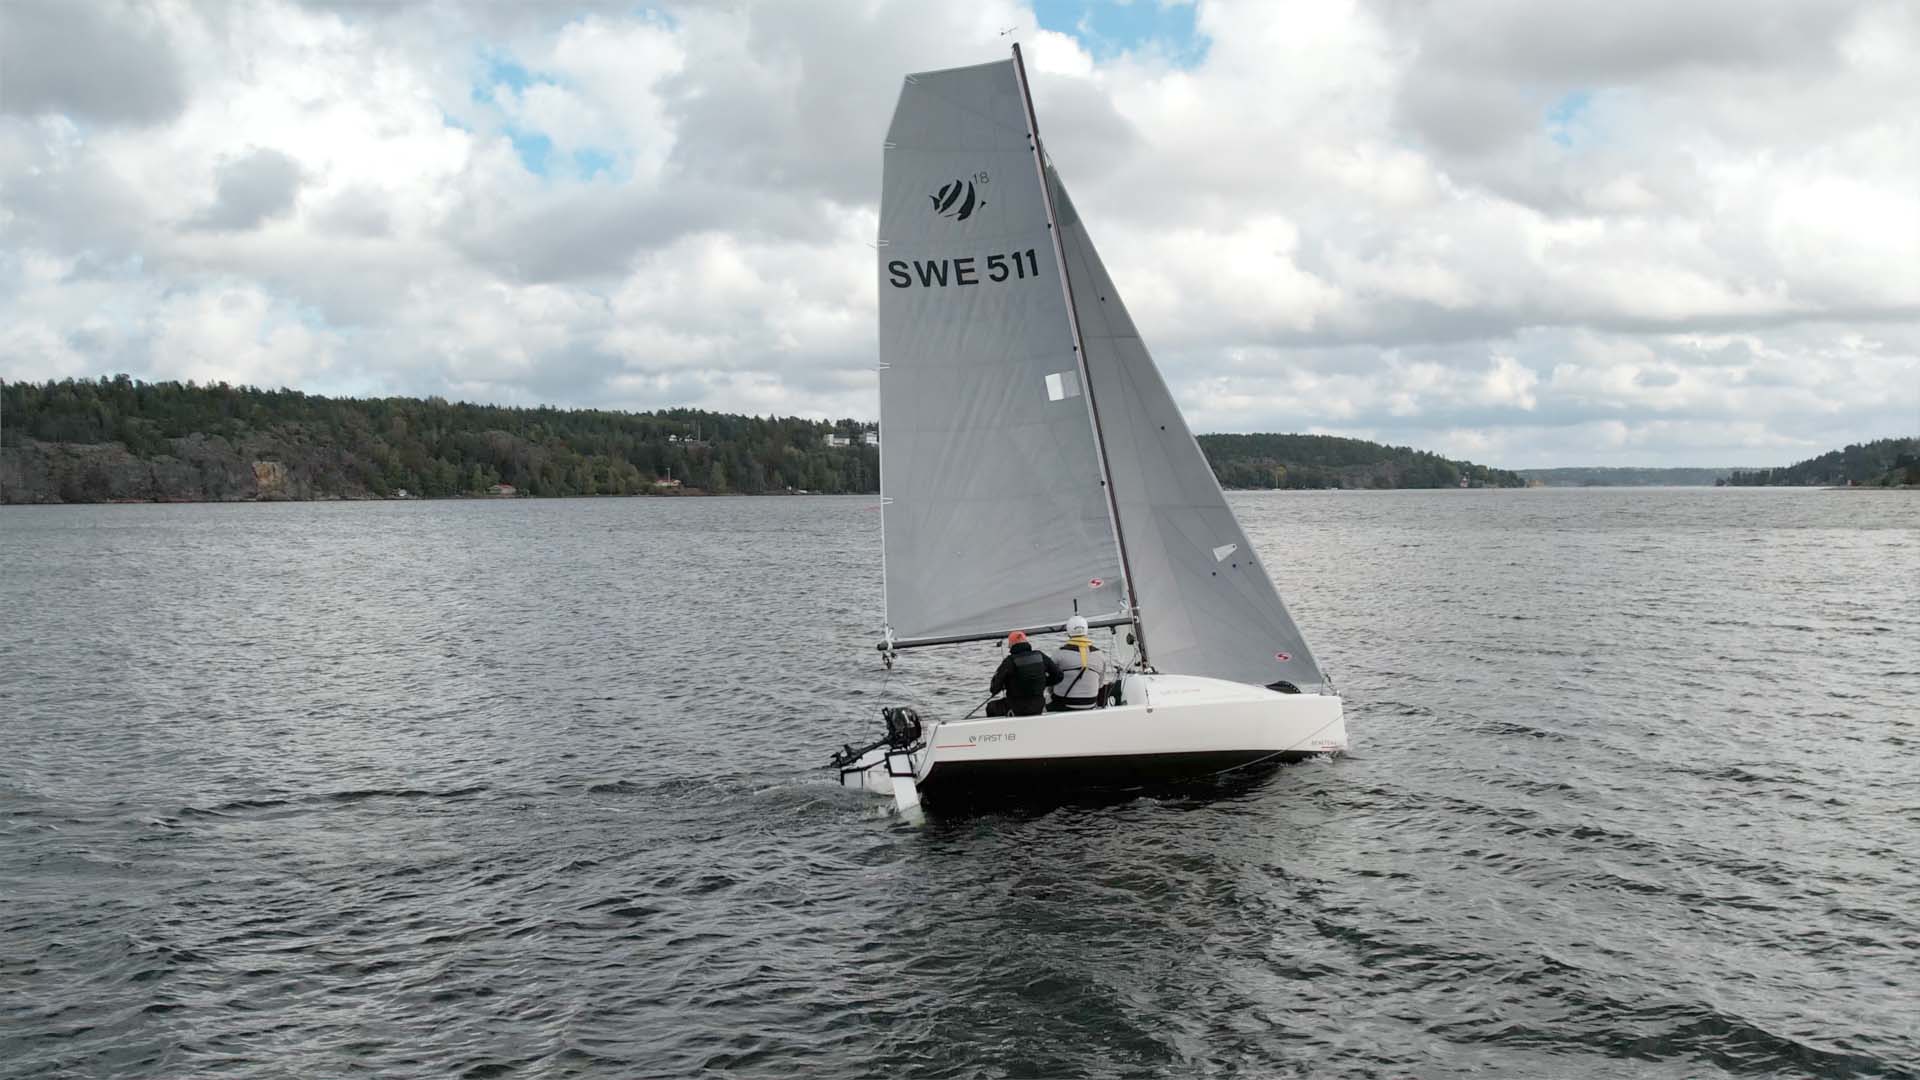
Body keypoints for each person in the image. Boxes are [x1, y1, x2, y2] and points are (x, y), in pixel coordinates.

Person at [986, 630, 1060, 716]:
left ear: (1011, 645)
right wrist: (1042, 682)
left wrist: (1005, 684)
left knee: (991, 707)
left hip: (1017, 708)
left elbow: (994, 689)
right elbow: (1059, 676)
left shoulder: (1009, 661)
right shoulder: (1040, 656)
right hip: (1038, 706)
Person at [1048, 615, 1112, 711]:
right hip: (1090, 703)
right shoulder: (1100, 655)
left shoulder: (1058, 654)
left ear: (1068, 631)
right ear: (1086, 630)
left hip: (1063, 704)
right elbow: (1100, 685)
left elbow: (1050, 685)